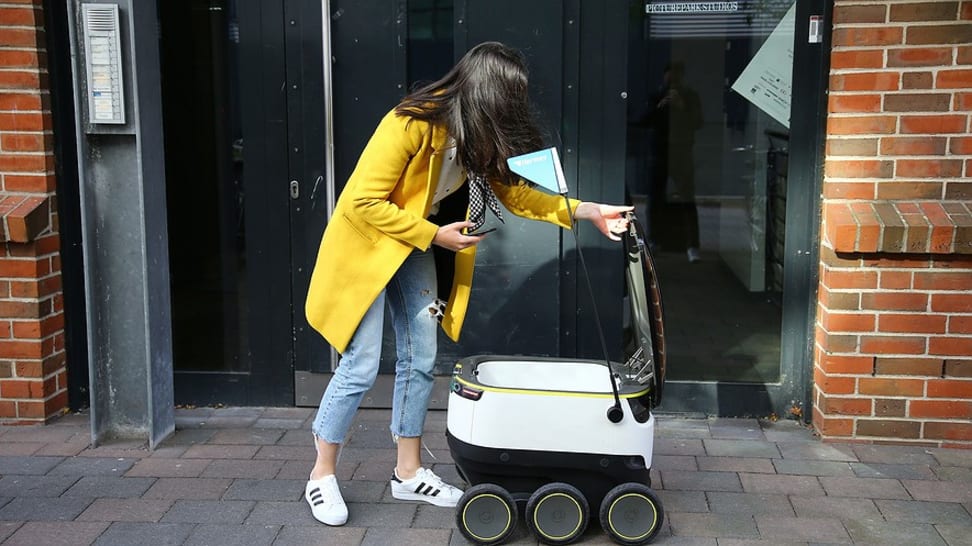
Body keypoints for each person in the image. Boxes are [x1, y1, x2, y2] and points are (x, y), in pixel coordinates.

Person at [302, 41, 632, 526]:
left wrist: (585, 211)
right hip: (369, 249)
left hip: (413, 247)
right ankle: (321, 475)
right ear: (484, 94)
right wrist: (435, 233)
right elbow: (362, 203)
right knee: (361, 364)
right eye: (509, 98)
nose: (514, 109)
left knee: (421, 360)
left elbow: (516, 195)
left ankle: (408, 472)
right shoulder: (410, 123)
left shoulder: (477, 137)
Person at [641, 61, 703, 262]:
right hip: (658, 154)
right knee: (655, 200)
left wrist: (681, 106)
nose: (673, 79)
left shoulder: (690, 96)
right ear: (664, 75)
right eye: (670, 74)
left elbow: (698, 122)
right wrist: (661, 106)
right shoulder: (655, 96)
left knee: (687, 200)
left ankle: (693, 246)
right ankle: (653, 240)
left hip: (681, 154)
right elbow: (643, 121)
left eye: (677, 74)